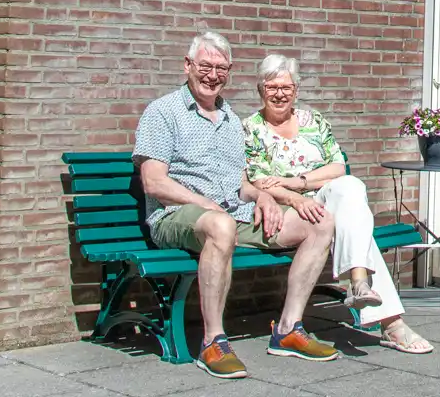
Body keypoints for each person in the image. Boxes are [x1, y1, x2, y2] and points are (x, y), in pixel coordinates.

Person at [133, 32, 340, 377]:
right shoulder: (163, 112)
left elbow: (239, 183)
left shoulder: (230, 118)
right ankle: (213, 342)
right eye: (205, 66)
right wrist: (207, 205)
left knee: (320, 222)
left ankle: (288, 329)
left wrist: (262, 196)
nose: (212, 75)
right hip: (175, 216)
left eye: (221, 68)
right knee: (220, 224)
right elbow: (154, 183)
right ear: (188, 66)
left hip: (230, 215)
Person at [242, 54, 433, 354]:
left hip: (319, 198)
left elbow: (338, 169)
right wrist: (294, 194)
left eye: (287, 87)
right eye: (272, 87)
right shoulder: (250, 129)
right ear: (260, 89)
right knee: (355, 225)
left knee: (351, 186)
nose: (280, 94)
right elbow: (260, 182)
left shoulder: (313, 122)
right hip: (289, 212)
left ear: (296, 90)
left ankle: (361, 284)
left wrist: (298, 181)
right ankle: (387, 318)